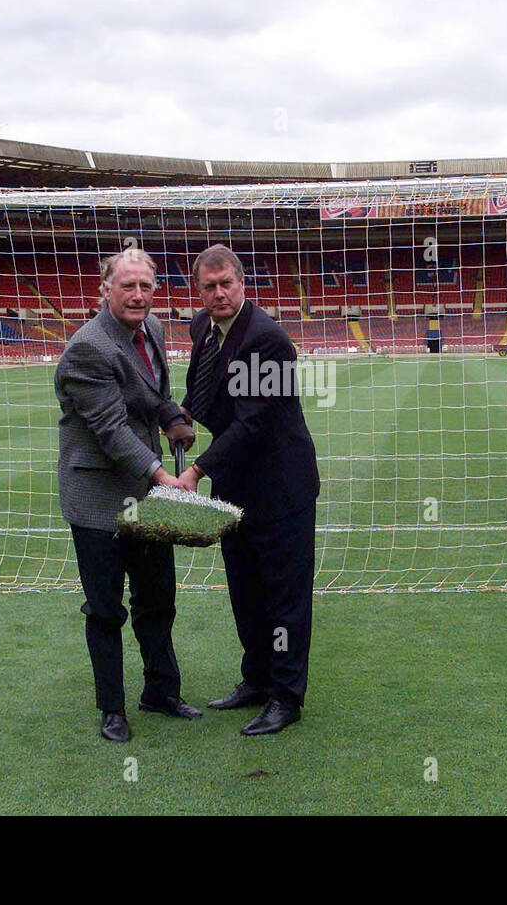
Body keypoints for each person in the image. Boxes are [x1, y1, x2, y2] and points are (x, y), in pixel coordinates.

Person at [175, 244, 320, 736]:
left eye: (226, 284)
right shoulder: (202, 328)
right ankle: (256, 680)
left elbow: (253, 423)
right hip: (235, 485)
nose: (218, 294)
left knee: (284, 598)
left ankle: (286, 697)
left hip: (281, 487)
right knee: (244, 590)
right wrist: (180, 415)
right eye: (209, 287)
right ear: (199, 291)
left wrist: (195, 470)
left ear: (243, 283)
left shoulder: (269, 340)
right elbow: (201, 388)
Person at [54, 248, 198, 743]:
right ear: (106, 290)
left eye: (146, 286)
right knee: (106, 607)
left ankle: (161, 691)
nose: (138, 295)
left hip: (144, 489)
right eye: (128, 286)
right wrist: (164, 476)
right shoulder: (88, 348)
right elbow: (112, 430)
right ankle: (111, 708)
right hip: (98, 498)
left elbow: (155, 394)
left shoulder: (152, 329)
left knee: (158, 597)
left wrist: (172, 417)